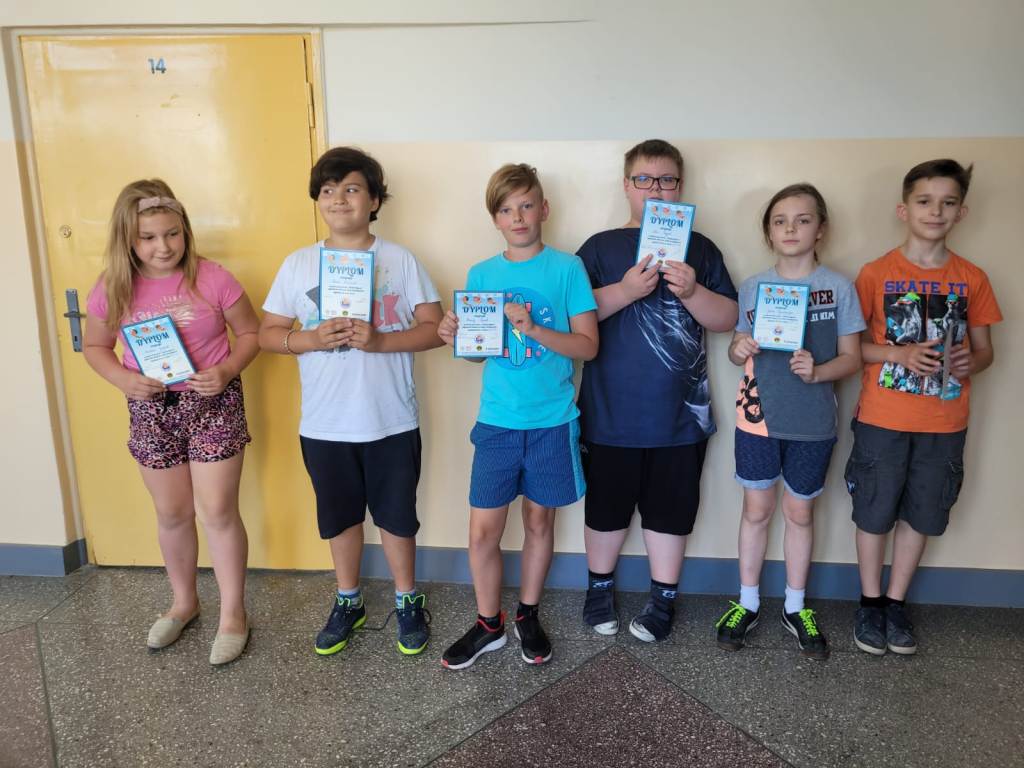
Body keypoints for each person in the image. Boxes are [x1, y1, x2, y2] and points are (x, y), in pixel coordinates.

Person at [259, 147, 443, 657]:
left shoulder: (400, 259)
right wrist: (309, 339)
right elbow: (268, 334)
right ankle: (349, 599)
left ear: (375, 200)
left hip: (391, 418)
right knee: (339, 517)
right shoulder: (298, 264)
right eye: (328, 190)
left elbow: (434, 329)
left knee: (397, 516)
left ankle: (407, 598)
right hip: (325, 423)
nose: (339, 199)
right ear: (317, 200)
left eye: (352, 189)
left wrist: (382, 340)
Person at [83, 179, 259, 665]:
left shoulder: (214, 278)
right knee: (172, 513)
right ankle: (184, 603)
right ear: (128, 239)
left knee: (217, 510)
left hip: (213, 403)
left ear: (185, 231)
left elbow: (250, 333)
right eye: (148, 237)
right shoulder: (112, 287)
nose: (163, 247)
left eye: (172, 234)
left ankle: (233, 614)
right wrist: (124, 379)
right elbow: (95, 346)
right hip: (151, 409)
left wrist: (227, 370)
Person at [437, 163, 598, 669]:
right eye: (507, 209)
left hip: (552, 421)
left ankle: (528, 614)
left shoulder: (567, 269)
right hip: (498, 422)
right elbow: (476, 355)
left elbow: (588, 346)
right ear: (495, 219)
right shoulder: (482, 275)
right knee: (482, 530)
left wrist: (533, 329)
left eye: (527, 205)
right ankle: (489, 624)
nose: (518, 216)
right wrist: (455, 338)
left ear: (544, 209)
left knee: (538, 521)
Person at [577, 139, 737, 642]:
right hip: (609, 413)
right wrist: (625, 290)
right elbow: (571, 317)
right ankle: (598, 588)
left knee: (671, 511)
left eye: (666, 180)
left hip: (680, 416)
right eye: (644, 179)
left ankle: (663, 597)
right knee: (605, 508)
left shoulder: (701, 248)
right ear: (626, 186)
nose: (655, 189)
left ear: (680, 187)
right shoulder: (600, 247)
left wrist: (692, 291)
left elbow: (727, 318)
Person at [846, 159, 1001, 655]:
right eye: (925, 201)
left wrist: (970, 363)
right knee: (874, 511)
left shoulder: (972, 278)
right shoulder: (875, 273)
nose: (936, 211)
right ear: (904, 210)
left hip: (945, 421)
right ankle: (870, 603)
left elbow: (985, 352)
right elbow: (850, 349)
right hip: (882, 418)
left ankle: (895, 603)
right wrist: (899, 354)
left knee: (923, 512)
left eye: (948, 202)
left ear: (961, 212)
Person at [714, 183, 864, 659]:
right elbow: (736, 347)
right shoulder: (753, 287)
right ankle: (748, 601)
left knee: (800, 513)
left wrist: (819, 371)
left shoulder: (838, 287)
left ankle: (796, 606)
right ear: (769, 233)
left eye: (802, 220)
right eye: (780, 221)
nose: (791, 229)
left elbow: (853, 358)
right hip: (758, 418)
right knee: (756, 510)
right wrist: (737, 347)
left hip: (813, 422)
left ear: (821, 229)